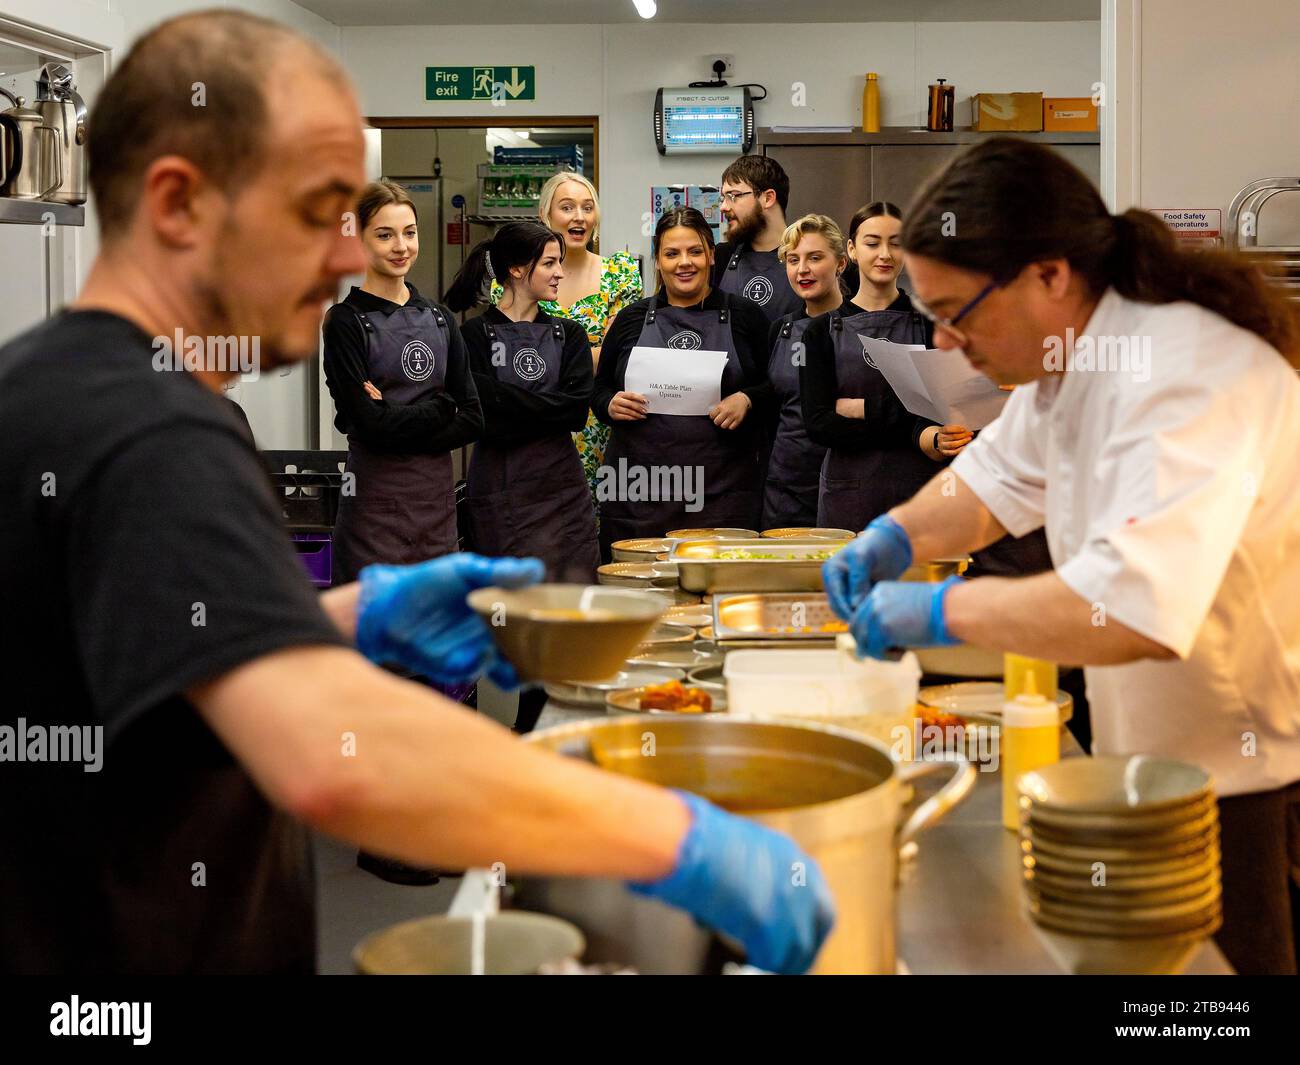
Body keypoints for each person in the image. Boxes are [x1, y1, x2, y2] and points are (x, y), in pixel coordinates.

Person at [0, 10, 832, 975]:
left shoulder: (76, 387)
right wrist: (665, 834)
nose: (351, 258)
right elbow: (330, 753)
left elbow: (159, 662)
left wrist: (340, 616)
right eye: (319, 214)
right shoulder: (147, 433)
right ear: (181, 203)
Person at [830, 136, 1300, 975]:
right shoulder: (1069, 362)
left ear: (1049, 273)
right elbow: (986, 482)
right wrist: (893, 535)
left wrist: (940, 612)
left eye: (956, 316)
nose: (945, 346)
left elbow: (1132, 602)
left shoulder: (1187, 371)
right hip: (1157, 759)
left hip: (1252, 779)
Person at [322, 180, 482, 587]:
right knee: (373, 634)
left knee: (435, 631)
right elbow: (367, 423)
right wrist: (440, 408)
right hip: (373, 508)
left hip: (435, 507)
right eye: (384, 235)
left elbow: (473, 417)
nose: (401, 246)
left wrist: (392, 413)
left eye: (409, 233)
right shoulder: (344, 322)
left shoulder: (442, 319)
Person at [594, 207, 772, 551]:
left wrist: (747, 399)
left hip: (722, 492)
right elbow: (599, 389)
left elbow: (775, 388)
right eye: (671, 254)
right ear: (658, 261)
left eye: (694, 251)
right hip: (638, 491)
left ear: (710, 255)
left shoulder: (746, 317)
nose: (684, 263)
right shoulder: (631, 319)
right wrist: (609, 403)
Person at [447, 221, 599, 583]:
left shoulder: (569, 335)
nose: (560, 273)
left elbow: (576, 411)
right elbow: (484, 419)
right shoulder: (473, 335)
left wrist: (504, 398)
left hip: (562, 493)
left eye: (559, 262)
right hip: (501, 491)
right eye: (549, 263)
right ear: (516, 269)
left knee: (573, 601)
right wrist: (550, 405)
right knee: (509, 607)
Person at [492, 171, 642, 514]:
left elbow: (620, 356)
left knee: (595, 530)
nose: (579, 216)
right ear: (545, 216)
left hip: (601, 422)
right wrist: (586, 354)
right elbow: (505, 361)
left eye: (588, 207)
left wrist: (540, 355)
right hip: (533, 422)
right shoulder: (513, 280)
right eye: (567, 207)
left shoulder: (620, 273)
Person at [799, 202, 940, 531]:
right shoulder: (820, 332)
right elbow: (819, 424)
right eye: (872, 243)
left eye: (896, 243)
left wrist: (862, 409)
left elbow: (941, 410)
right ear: (851, 248)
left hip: (918, 492)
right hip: (848, 494)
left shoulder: (932, 327)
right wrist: (911, 424)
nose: (885, 254)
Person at [761, 213, 847, 529]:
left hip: (844, 480)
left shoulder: (861, 326)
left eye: (815, 258)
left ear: (841, 262)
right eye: (793, 260)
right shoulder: (780, 330)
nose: (803, 270)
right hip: (785, 488)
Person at [712, 154, 803, 324]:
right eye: (723, 198)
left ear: (767, 198)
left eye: (733, 196)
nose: (723, 207)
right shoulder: (721, 257)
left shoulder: (807, 258)